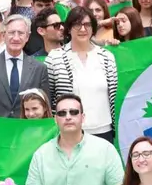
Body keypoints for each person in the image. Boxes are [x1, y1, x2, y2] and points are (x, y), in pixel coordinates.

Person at [22, 93, 124, 185]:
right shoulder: (41, 154)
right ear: (56, 120)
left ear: (83, 117)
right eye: (62, 113)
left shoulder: (105, 149)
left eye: (73, 112)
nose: (68, 117)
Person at [45, 7, 118, 142]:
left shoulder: (107, 57)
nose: (83, 29)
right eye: (77, 25)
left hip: (103, 130)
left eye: (87, 25)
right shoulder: (55, 58)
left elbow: (113, 96)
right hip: (69, 131)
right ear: (68, 28)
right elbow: (50, 98)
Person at [0, 15, 48, 118]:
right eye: (11, 33)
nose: (16, 38)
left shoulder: (39, 68)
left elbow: (46, 107)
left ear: (27, 37)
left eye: (21, 33)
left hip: (28, 129)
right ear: (3, 35)